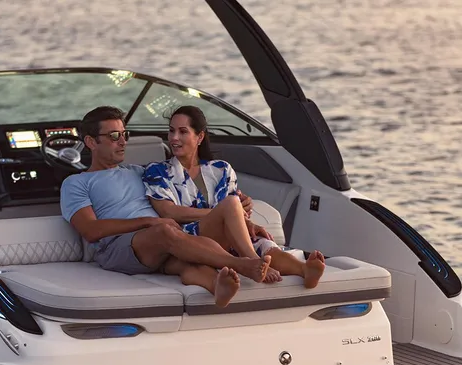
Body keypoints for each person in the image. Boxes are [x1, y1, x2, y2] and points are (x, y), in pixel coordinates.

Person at [60, 106, 272, 308]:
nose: (123, 142)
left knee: (187, 262)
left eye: (125, 135)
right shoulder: (77, 182)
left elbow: (179, 191)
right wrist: (149, 221)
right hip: (119, 248)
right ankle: (242, 264)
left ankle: (217, 286)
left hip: (163, 241)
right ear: (91, 142)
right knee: (165, 232)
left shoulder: (139, 171)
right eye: (114, 136)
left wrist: (245, 220)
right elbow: (90, 230)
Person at [142, 105, 325, 288]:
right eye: (171, 131)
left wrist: (246, 222)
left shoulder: (221, 169)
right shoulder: (157, 171)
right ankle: (253, 263)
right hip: (186, 238)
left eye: (183, 132)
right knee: (231, 204)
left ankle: (304, 270)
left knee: (261, 242)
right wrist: (221, 213)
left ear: (199, 137)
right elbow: (169, 211)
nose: (174, 138)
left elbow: (234, 213)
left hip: (224, 235)